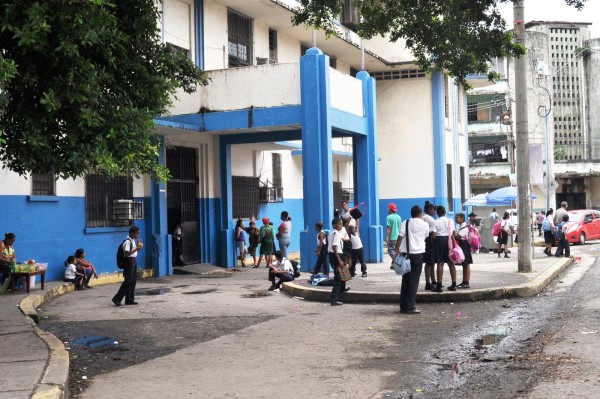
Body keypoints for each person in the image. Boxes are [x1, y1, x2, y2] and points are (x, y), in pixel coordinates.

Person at [393, 205, 429, 314]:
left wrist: (396, 250)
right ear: (420, 214)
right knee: (414, 281)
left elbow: (400, 237)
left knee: (406, 280)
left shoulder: (406, 222)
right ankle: (411, 306)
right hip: (418, 255)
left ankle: (403, 306)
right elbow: (425, 236)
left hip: (406, 254)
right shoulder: (425, 224)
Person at [112, 226, 143, 306]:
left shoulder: (132, 240)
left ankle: (129, 299)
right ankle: (117, 298)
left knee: (133, 281)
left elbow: (133, 253)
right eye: (137, 233)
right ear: (132, 233)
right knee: (128, 281)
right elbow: (127, 253)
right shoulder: (127, 242)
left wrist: (138, 248)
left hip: (133, 261)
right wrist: (137, 249)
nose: (138, 235)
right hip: (128, 262)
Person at [431, 205, 457, 292]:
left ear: (437, 213)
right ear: (445, 212)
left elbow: (434, 235)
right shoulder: (450, 221)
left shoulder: (435, 222)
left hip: (439, 241)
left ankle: (439, 286)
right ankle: (454, 284)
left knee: (440, 263)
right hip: (449, 241)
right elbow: (454, 233)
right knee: (451, 263)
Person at [328, 217, 348, 306]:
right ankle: (334, 299)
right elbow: (334, 246)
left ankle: (342, 288)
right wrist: (339, 259)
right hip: (336, 255)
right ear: (334, 225)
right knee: (338, 277)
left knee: (343, 273)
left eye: (341, 224)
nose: (341, 226)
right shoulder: (336, 234)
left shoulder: (332, 233)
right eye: (339, 224)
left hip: (336, 255)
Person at [454, 213, 473, 289]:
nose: (455, 219)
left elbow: (458, 237)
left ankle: (466, 282)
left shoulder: (465, 227)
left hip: (464, 245)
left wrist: (452, 234)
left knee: (466, 264)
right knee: (464, 264)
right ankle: (464, 281)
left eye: (457, 217)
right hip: (462, 245)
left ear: (462, 218)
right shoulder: (460, 226)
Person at [422, 201, 438, 290]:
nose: (434, 212)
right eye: (433, 210)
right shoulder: (431, 220)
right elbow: (434, 233)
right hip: (430, 242)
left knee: (431, 263)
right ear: (429, 210)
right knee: (429, 263)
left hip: (425, 241)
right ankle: (428, 283)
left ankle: (433, 281)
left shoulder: (423, 218)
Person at [386, 203, 402, 270]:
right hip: (398, 237)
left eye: (388, 208)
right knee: (396, 250)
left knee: (390, 251)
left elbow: (388, 228)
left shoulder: (388, 217)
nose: (387, 209)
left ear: (390, 209)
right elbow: (400, 227)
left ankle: (397, 262)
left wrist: (387, 237)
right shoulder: (399, 217)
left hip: (392, 237)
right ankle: (393, 265)